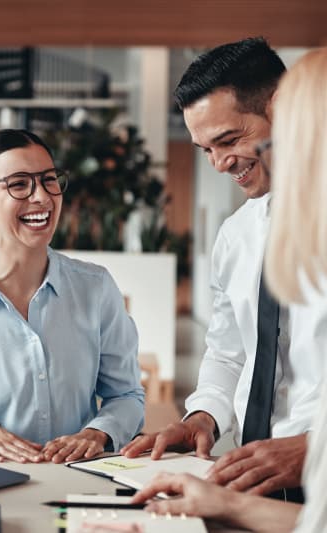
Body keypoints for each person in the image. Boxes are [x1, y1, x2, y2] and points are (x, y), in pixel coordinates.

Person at [132, 47, 327, 533]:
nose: (219, 164)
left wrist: (312, 447)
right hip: (249, 471)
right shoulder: (236, 235)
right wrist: (203, 417)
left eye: (229, 139)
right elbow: (229, 352)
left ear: (282, 111)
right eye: (206, 150)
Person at [0, 128, 144, 464]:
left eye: (49, 180)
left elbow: (127, 395)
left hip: (80, 481)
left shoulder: (95, 288)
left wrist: (98, 432)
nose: (42, 197)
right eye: (19, 184)